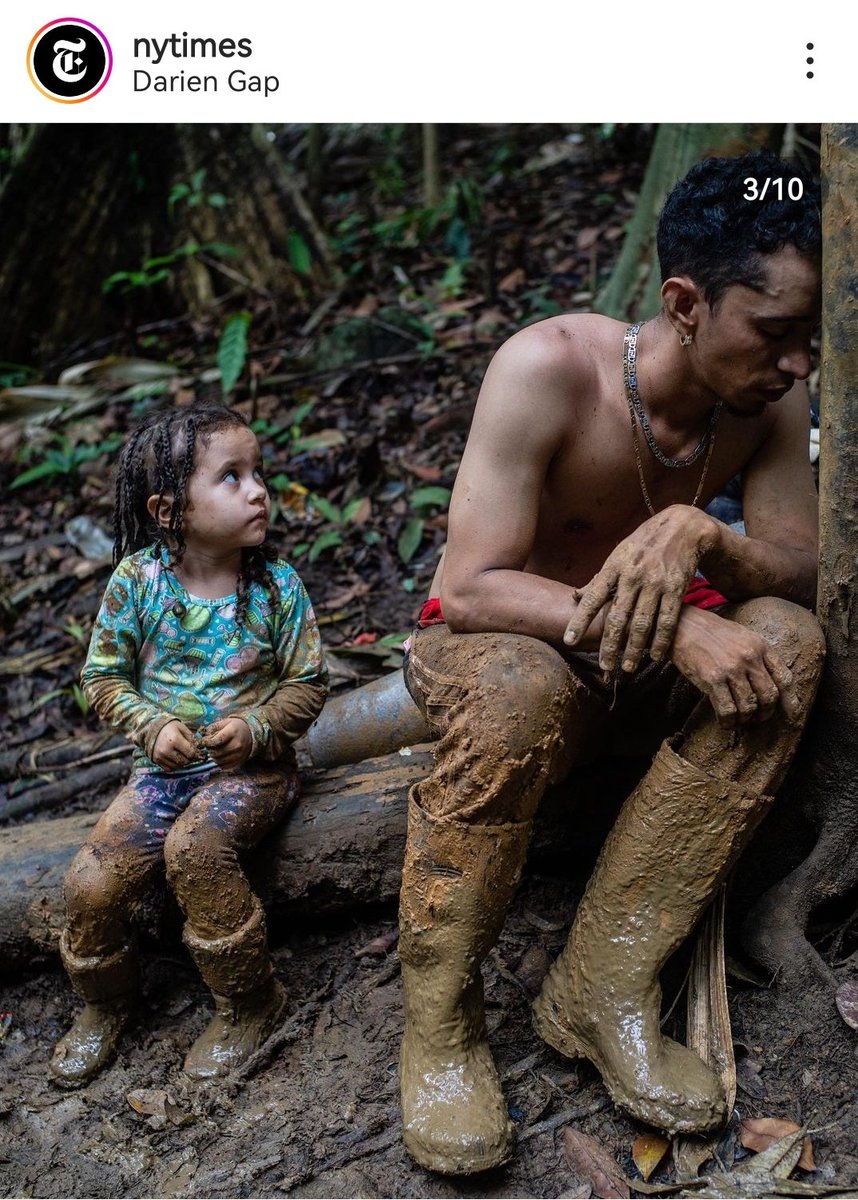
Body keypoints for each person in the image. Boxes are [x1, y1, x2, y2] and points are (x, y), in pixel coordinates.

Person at [398, 150, 827, 1175]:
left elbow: (804, 571)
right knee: (518, 686)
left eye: (812, 339)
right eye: (774, 332)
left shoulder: (763, 410)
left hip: (632, 682)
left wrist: (704, 536)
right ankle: (440, 1026)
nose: (798, 363)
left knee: (788, 644)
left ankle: (603, 982)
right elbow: (470, 588)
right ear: (685, 302)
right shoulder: (547, 368)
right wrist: (677, 626)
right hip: (508, 653)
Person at [50, 403, 327, 1087]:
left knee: (196, 850)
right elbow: (104, 678)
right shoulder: (137, 584)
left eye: (257, 471)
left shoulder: (276, 588)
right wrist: (152, 725)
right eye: (231, 477)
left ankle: (250, 1002)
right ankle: (105, 1004)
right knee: (90, 881)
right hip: (162, 776)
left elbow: (310, 682)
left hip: (253, 773)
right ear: (169, 510)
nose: (258, 488)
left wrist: (257, 728)